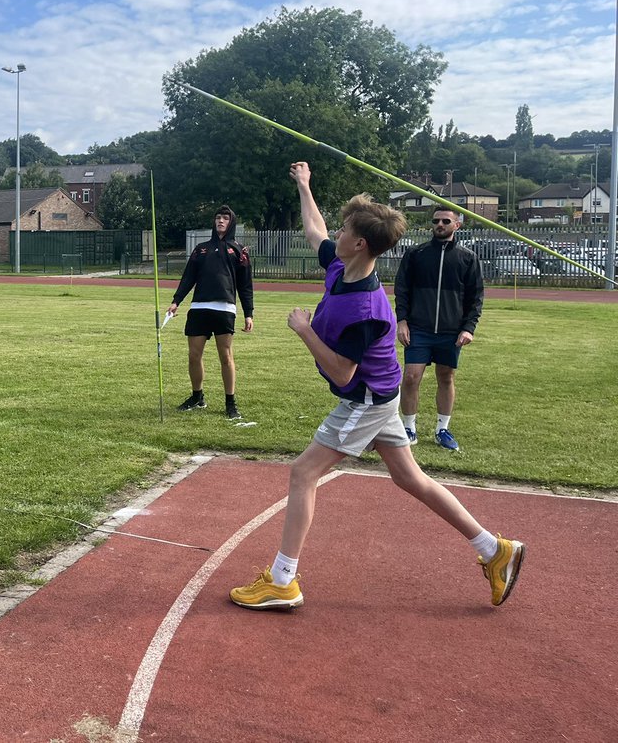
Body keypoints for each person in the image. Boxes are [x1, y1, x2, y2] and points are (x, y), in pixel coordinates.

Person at [229, 162, 523, 611]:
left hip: (365, 399)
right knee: (410, 477)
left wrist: (304, 330)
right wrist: (305, 186)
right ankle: (493, 549)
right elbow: (313, 230)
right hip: (382, 395)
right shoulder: (341, 266)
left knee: (303, 473)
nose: (337, 233)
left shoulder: (365, 308)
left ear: (360, 243)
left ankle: (283, 581)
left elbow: (343, 373)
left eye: (345, 229)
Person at [393, 207, 484, 451]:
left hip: (450, 331)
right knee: (411, 377)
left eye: (445, 221)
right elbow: (402, 289)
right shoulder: (416, 254)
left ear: (457, 225)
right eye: (436, 221)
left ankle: (442, 429)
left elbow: (475, 297)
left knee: (446, 377)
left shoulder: (468, 258)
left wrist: (468, 328)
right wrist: (402, 321)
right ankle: (409, 428)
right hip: (418, 329)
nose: (440, 225)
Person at [165, 205, 254, 418]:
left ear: (231, 222)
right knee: (194, 356)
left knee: (226, 356)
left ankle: (230, 403)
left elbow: (245, 286)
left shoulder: (239, 251)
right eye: (218, 218)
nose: (221, 221)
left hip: (225, 309)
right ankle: (197, 397)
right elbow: (188, 277)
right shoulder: (200, 249)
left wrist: (248, 313)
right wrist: (176, 301)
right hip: (199, 308)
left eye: (225, 218)